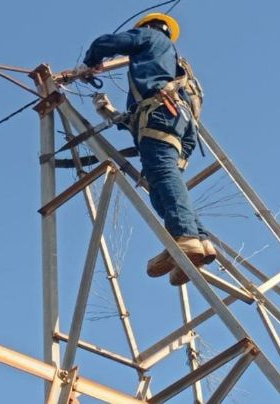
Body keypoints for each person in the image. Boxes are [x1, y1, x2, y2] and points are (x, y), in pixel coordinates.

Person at [80, 13, 216, 285]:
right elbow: (138, 116)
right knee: (161, 182)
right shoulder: (173, 65)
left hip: (162, 114)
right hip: (180, 123)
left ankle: (185, 237)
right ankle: (198, 243)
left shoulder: (152, 37)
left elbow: (107, 43)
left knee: (163, 175)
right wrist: (109, 113)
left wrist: (91, 62)